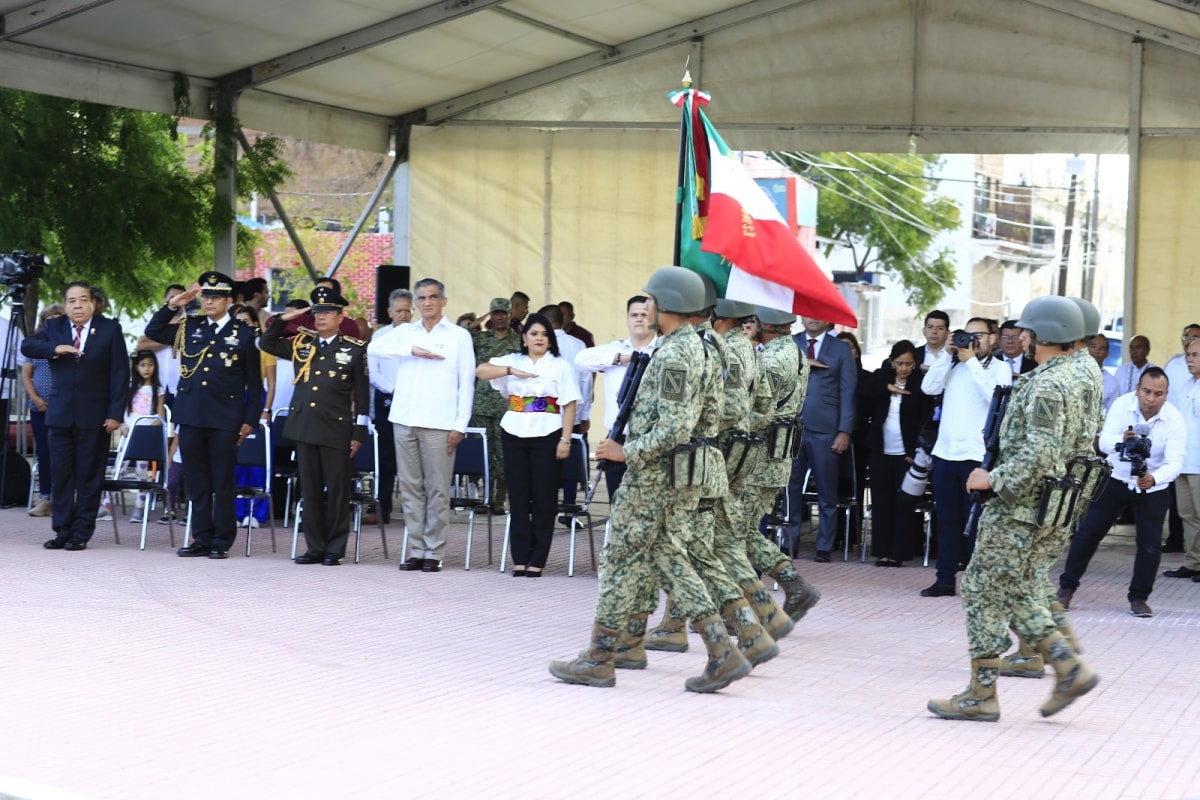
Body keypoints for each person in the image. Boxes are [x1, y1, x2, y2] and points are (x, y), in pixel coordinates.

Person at [548, 267, 751, 693]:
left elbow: (676, 426)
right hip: (679, 474)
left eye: (653, 301)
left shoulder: (676, 354)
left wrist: (627, 451)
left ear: (668, 305)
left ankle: (600, 657)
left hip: (653, 477)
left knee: (619, 560)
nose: (649, 307)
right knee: (671, 559)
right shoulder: (701, 346)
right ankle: (722, 651)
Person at [929, 296, 1099, 723]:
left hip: (1020, 504)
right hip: (1052, 503)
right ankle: (1066, 664)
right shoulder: (1083, 371)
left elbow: (1040, 449)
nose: (1020, 336)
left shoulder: (1046, 383)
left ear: (1043, 335)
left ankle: (982, 693)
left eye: (1026, 331)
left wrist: (994, 479)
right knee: (1018, 587)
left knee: (983, 588)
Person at [144, 271, 263, 560]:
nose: (209, 302)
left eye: (216, 297)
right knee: (196, 480)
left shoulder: (244, 333)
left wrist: (249, 420)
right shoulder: (189, 326)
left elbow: (254, 383)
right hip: (192, 414)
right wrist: (173, 305)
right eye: (206, 296)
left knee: (221, 480)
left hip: (225, 417)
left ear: (229, 300)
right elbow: (155, 332)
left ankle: (221, 539)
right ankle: (201, 537)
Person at [368, 277, 475, 573]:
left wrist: (460, 425)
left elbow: (466, 383)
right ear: (415, 304)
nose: (427, 302)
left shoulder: (458, 336)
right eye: (422, 298)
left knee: (438, 489)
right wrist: (411, 350)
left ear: (444, 300)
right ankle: (416, 549)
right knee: (411, 489)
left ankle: (434, 551)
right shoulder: (405, 333)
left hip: (440, 422)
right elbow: (373, 349)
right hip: (404, 419)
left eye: (432, 297)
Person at [1057, 367, 1184, 617]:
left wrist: (1153, 478)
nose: (1151, 398)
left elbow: (1175, 462)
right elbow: (1103, 443)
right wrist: (1121, 443)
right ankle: (1066, 588)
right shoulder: (1122, 405)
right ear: (1137, 389)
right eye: (1146, 391)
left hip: (1153, 486)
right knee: (1088, 534)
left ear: (1166, 395)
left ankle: (1139, 598)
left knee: (1150, 546)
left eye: (1158, 394)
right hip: (1116, 478)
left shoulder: (1174, 419)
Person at [261, 286, 370, 566]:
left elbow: (363, 394)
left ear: (339, 315)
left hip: (336, 427)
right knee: (308, 490)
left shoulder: (353, 349)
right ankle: (314, 547)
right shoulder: (301, 343)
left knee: (336, 492)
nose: (321, 317)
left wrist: (359, 432)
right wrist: (285, 319)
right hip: (305, 426)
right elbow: (267, 342)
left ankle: (334, 548)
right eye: (317, 312)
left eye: (327, 312)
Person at [22, 283, 129, 551]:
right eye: (72, 301)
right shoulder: (55, 328)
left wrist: (115, 414)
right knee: (62, 476)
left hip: (95, 416)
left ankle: (81, 532)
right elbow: (28, 345)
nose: (77, 305)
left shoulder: (109, 329)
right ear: (65, 304)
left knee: (89, 477)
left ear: (93, 303)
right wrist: (55, 349)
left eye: (83, 300)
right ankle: (62, 530)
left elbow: (120, 374)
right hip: (59, 415)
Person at [476, 313, 580, 577]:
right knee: (518, 496)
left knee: (544, 497)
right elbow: (481, 371)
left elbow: (569, 404)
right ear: (524, 338)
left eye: (544, 334)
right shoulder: (513, 360)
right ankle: (520, 557)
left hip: (548, 432)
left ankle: (538, 559)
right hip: (514, 429)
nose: (539, 339)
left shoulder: (560, 366)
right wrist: (510, 371)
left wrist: (565, 439)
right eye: (534, 334)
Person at [918, 316, 1012, 597]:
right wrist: (947, 357)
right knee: (946, 521)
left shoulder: (1001, 369)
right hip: (945, 454)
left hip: (976, 458)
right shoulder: (954, 365)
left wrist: (971, 361)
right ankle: (945, 578)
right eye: (966, 334)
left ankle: (976, 582)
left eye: (978, 335)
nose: (971, 340)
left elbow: (995, 397)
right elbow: (928, 388)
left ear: (993, 338)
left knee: (976, 524)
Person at [787, 316, 856, 561]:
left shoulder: (839, 349)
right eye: (808, 314)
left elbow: (848, 392)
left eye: (818, 315)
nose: (812, 319)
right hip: (792, 428)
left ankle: (824, 546)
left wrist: (844, 430)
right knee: (790, 486)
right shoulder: (790, 343)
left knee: (827, 491)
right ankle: (790, 540)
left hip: (826, 430)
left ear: (828, 320)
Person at [574, 295, 657, 499]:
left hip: (650, 438)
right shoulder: (616, 349)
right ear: (627, 319)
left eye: (644, 315)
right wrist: (619, 360)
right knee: (618, 504)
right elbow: (580, 360)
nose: (639, 319)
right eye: (634, 315)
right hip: (618, 435)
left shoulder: (663, 350)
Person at [863, 340, 934, 566]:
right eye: (900, 363)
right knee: (881, 502)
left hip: (906, 453)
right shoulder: (881, 377)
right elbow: (862, 389)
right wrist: (888, 388)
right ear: (892, 362)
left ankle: (899, 553)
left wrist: (916, 451)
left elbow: (925, 418)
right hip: (880, 451)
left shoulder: (920, 384)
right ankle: (881, 552)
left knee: (903, 504)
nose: (904, 368)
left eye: (909, 364)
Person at [470, 298, 522, 514]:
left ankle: (499, 500)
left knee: (503, 453)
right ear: (490, 314)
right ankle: (484, 498)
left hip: (506, 404)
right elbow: (459, 334)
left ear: (510, 315)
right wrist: (476, 322)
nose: (499, 317)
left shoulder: (519, 341)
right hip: (481, 403)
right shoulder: (480, 338)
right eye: (495, 313)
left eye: (503, 313)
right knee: (482, 452)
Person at [366, 288, 413, 524]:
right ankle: (382, 508)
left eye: (407, 310)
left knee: (413, 457)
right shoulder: (380, 336)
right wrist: (394, 390)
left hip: (414, 401)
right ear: (389, 312)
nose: (404, 315)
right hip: (387, 399)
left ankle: (415, 511)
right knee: (385, 457)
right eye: (399, 311)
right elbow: (373, 372)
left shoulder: (420, 335)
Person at [1158, 339, 1200, 584]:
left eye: (1195, 355)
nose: (1190, 360)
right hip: (1183, 461)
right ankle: (1193, 563)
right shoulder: (1185, 384)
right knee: (1187, 514)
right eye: (1188, 355)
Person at [232, 305, 274, 529]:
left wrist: (266, 410)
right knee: (236, 461)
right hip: (235, 400)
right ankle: (238, 512)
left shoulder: (264, 346)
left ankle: (257, 513)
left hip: (257, 401)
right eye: (239, 321)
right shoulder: (229, 345)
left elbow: (271, 382)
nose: (243, 325)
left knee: (257, 462)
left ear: (256, 323)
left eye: (247, 321)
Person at [21, 303, 64, 518]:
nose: (54, 321)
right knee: (45, 453)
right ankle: (46, 497)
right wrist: (36, 399)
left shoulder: (68, 344)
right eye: (50, 318)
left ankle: (64, 498)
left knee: (65, 454)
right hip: (40, 408)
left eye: (58, 317)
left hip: (64, 408)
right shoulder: (35, 345)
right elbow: (26, 375)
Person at [120, 350, 166, 524]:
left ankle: (139, 508)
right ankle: (107, 505)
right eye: (143, 365)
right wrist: (123, 426)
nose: (147, 369)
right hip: (128, 434)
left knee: (141, 472)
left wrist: (147, 430)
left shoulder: (158, 390)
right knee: (120, 469)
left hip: (143, 436)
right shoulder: (130, 386)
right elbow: (125, 412)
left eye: (150, 365)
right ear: (136, 367)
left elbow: (160, 417)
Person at [1087, 334, 1119, 413]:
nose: (1096, 351)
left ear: (1107, 354)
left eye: (1101, 348)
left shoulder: (1112, 382)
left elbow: (1113, 413)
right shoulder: (1072, 373)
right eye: (1093, 346)